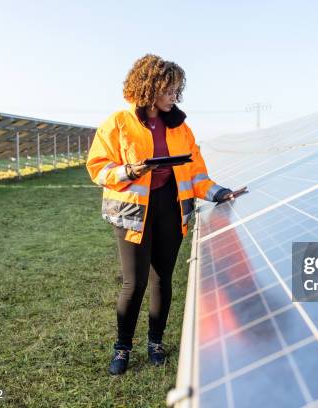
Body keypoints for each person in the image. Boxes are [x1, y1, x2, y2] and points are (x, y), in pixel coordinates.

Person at [86, 54, 234, 375]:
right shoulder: (117, 124)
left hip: (171, 208)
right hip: (131, 211)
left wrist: (217, 193)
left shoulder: (181, 128)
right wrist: (130, 170)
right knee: (134, 282)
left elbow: (197, 173)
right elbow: (98, 168)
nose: (174, 97)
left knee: (161, 279)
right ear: (151, 87)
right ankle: (122, 348)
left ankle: (155, 342)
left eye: (177, 91)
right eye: (169, 90)